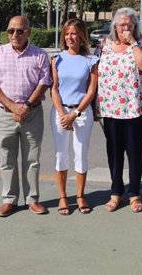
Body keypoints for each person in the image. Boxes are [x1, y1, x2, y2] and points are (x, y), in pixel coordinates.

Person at [0, 16, 51, 217]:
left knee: (32, 159)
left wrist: (26, 106)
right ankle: (9, 199)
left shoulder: (40, 55)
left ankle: (32, 199)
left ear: (28, 33)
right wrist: (13, 106)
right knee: (7, 158)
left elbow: (44, 82)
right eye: (11, 30)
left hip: (32, 114)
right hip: (5, 114)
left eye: (20, 31)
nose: (15, 34)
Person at [97, 8, 142, 213]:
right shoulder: (104, 45)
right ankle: (115, 192)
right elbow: (96, 74)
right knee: (114, 152)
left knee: (135, 152)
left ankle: (134, 193)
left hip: (135, 108)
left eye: (130, 25)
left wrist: (132, 44)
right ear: (115, 26)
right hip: (110, 108)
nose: (125, 28)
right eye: (122, 25)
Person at [49, 18, 99, 215]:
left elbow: (91, 91)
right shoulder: (56, 59)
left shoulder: (91, 60)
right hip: (60, 112)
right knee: (61, 154)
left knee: (80, 154)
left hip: (82, 113)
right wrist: (62, 113)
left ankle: (80, 195)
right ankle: (63, 197)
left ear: (82, 36)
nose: (70, 37)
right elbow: (53, 87)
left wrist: (75, 113)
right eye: (67, 33)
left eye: (74, 33)